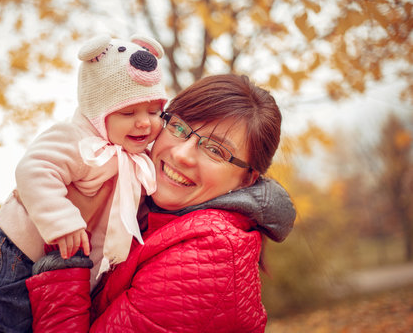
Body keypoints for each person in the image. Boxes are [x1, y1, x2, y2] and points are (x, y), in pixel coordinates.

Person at [26, 73, 297, 332]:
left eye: (215, 150)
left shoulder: (209, 257)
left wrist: (63, 266)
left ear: (247, 179)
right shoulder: (140, 205)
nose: (182, 154)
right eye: (179, 127)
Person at [0, 34, 168, 332]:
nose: (144, 122)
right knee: (9, 323)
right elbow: (34, 169)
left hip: (71, 265)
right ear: (97, 111)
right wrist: (62, 220)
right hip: (22, 248)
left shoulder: (141, 159)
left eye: (154, 111)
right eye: (128, 112)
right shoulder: (75, 138)